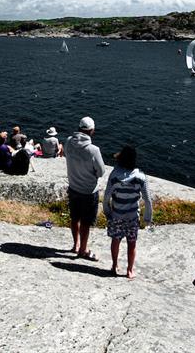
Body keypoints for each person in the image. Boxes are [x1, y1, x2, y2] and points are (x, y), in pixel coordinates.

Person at [103, 146, 152, 279]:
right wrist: (147, 217)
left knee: (115, 240)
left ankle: (114, 266)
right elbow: (147, 199)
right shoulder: (140, 177)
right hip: (132, 217)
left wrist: (107, 211)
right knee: (132, 243)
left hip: (117, 215)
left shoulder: (114, 176)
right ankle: (130, 270)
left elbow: (107, 196)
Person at [62, 116, 105, 261]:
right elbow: (101, 172)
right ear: (91, 131)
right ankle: (83, 250)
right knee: (86, 222)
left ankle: (75, 245)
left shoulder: (68, 142)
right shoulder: (93, 150)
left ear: (79, 128)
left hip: (73, 187)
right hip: (88, 191)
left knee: (75, 218)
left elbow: (66, 156)